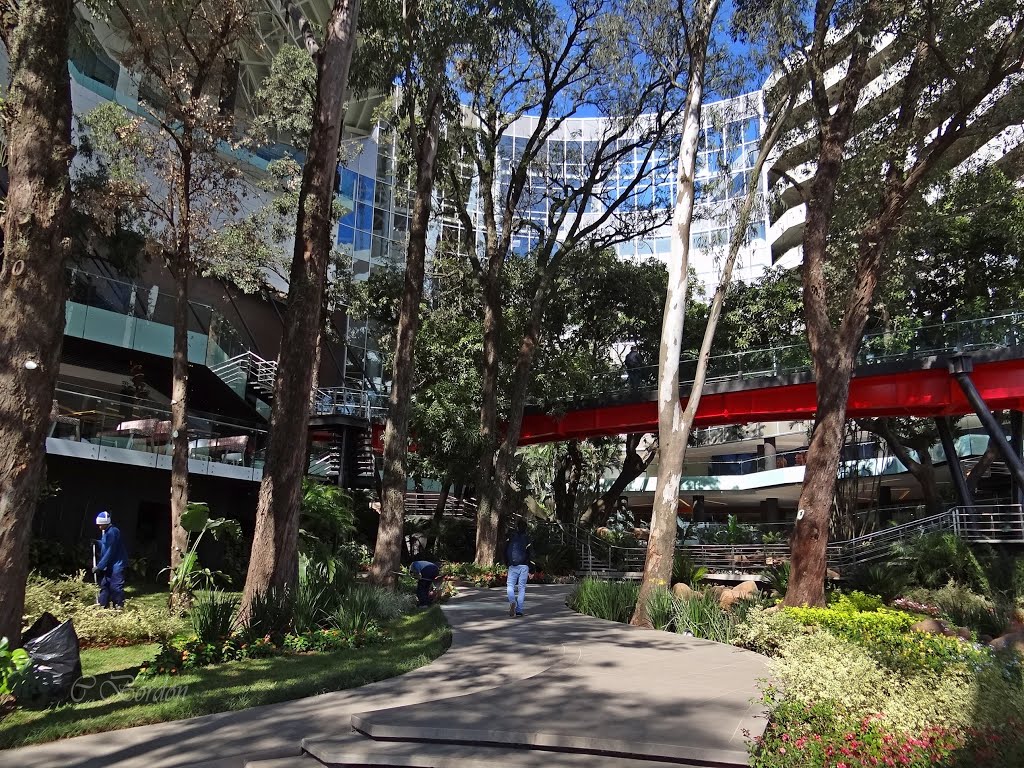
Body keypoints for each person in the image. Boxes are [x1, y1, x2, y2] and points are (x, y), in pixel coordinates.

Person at [93, 511, 128, 609]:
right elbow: (105, 545)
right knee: (105, 586)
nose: (99, 526)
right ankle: (102, 606)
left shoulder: (113, 531)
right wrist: (97, 542)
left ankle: (118, 608)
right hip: (109, 565)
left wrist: (99, 566)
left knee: (116, 587)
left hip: (117, 565)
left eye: (100, 524)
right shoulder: (107, 532)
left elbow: (110, 551)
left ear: (105, 523)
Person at [504, 520, 532, 617]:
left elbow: (505, 549)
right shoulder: (527, 538)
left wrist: (507, 562)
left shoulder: (511, 537)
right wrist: (531, 567)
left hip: (513, 565)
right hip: (524, 565)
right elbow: (530, 553)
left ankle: (512, 601)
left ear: (517, 527)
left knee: (510, 585)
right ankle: (519, 609)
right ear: (526, 528)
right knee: (521, 588)